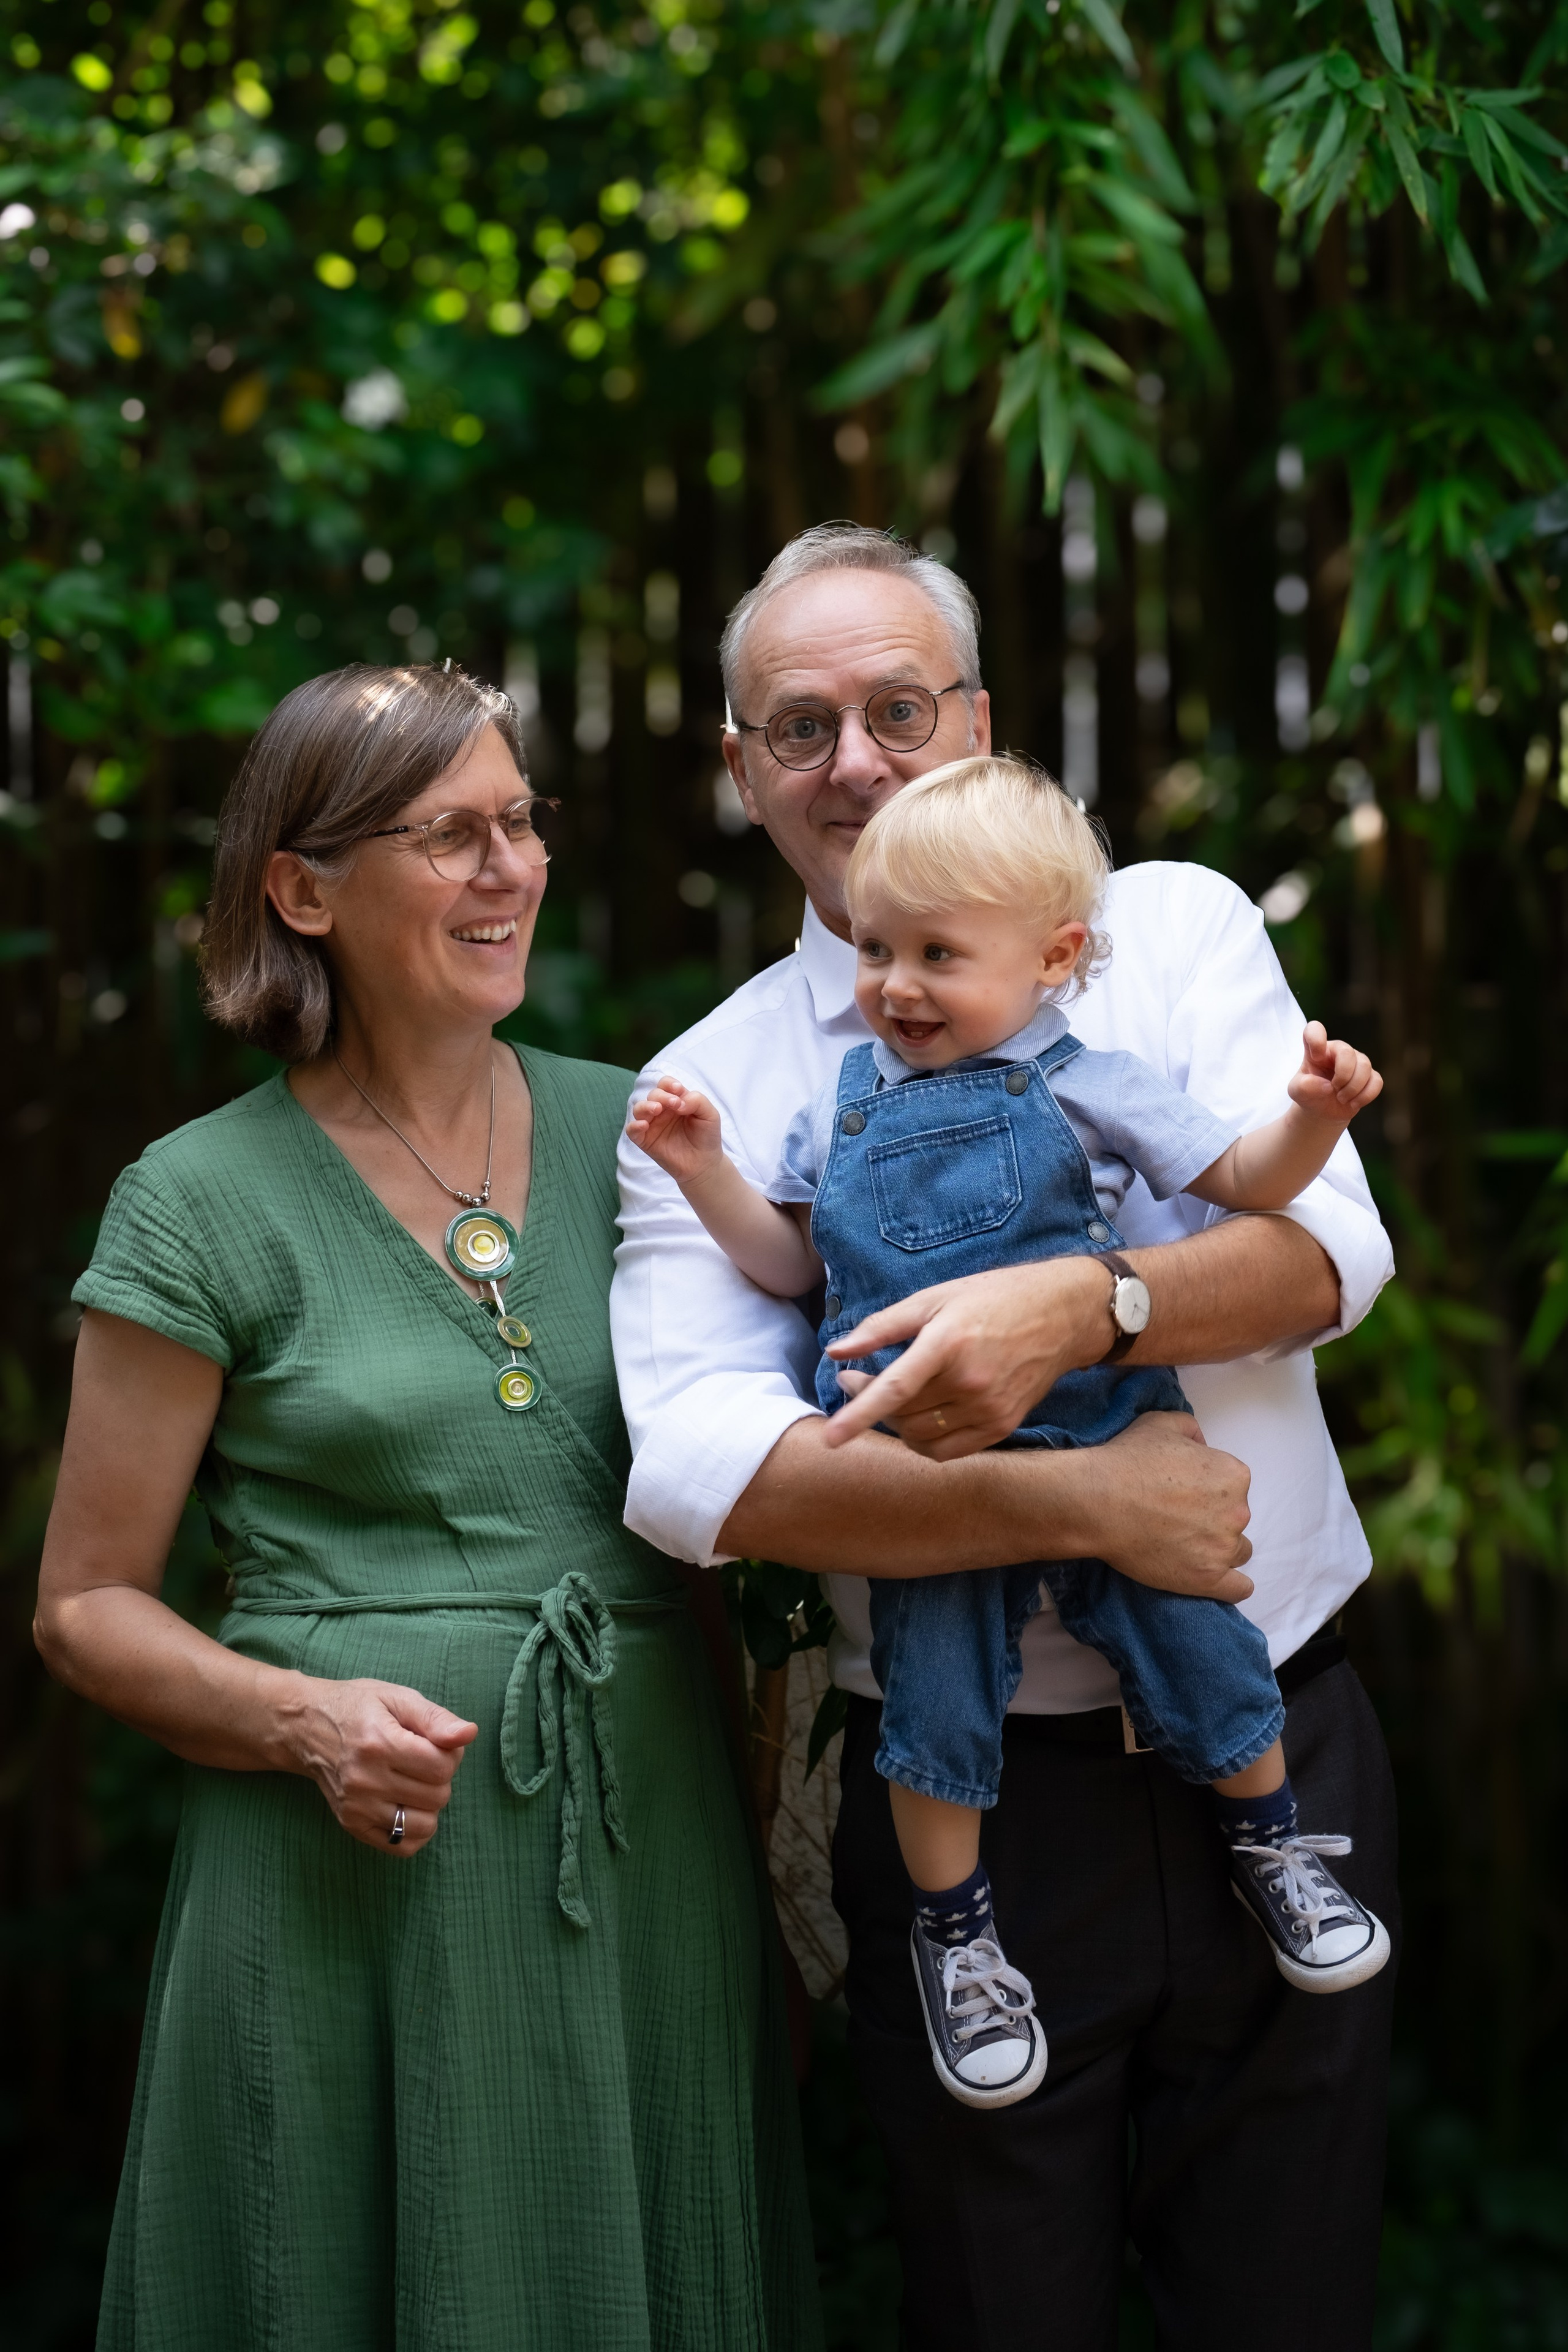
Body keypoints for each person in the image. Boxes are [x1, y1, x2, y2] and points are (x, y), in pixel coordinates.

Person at [611, 525, 1400, 2345]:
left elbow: (1325, 1248)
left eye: (900, 706)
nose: (857, 759)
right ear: (740, 777)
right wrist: (1101, 1500)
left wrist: (1090, 1305)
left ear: (980, 721)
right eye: (795, 728)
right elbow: (704, 1475)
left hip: (1284, 1730)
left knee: (1292, 2305)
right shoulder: (723, 1080)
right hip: (972, 1800)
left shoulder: (1168, 930)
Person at [34, 663, 821, 2352]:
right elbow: (86, 1604)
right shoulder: (195, 1201)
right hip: (338, 1881)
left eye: (520, 824)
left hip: (644, 1845)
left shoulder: (646, 1135)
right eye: (449, 834)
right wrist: (302, 1719)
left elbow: (745, 1484)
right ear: (302, 890)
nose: (509, 867)